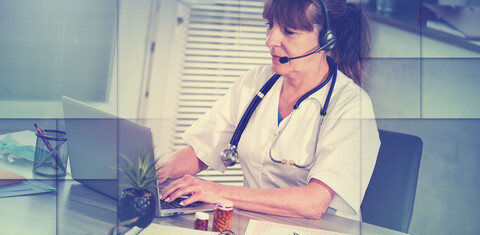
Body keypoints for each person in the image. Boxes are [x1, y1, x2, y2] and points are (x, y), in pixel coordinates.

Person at [157, 0, 380, 220]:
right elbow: (200, 150)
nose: (270, 40)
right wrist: (150, 175)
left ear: (326, 40)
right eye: (270, 25)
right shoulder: (254, 82)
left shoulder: (351, 105)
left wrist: (217, 191)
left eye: (289, 31)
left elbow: (315, 202)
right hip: (254, 225)